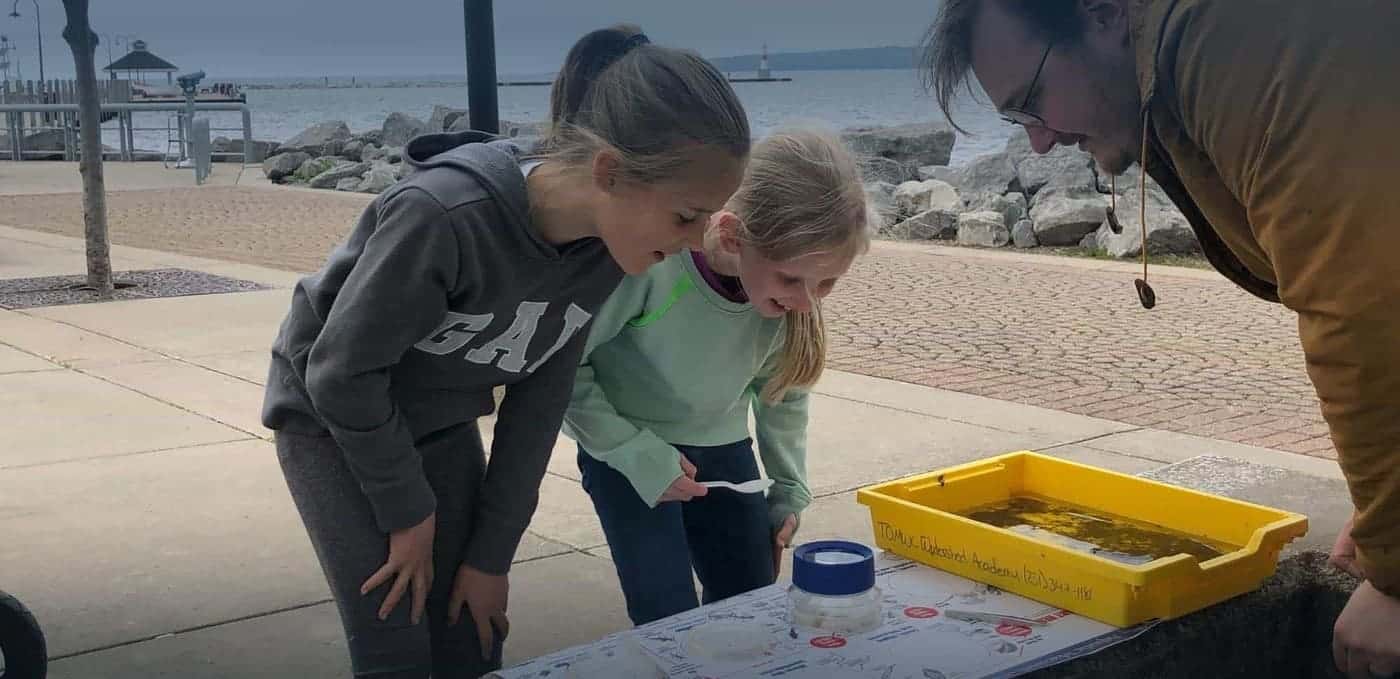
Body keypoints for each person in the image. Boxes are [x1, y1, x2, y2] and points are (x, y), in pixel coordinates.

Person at [922, 0, 1400, 675]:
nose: (1037, 140)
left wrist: (1395, 569)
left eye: (1034, 99)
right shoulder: (1178, 55)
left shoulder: (1223, 33)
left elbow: (1360, 289)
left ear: (1103, 13)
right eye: (1017, 117)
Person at [260, 24, 750, 678]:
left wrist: (491, 556)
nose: (694, 245)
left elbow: (539, 405)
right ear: (608, 172)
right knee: (396, 636)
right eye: (686, 216)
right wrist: (410, 514)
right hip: (330, 416)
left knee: (471, 625)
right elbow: (340, 371)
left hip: (437, 418)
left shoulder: (607, 252)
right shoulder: (442, 216)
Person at [561, 127, 873, 625]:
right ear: (731, 234)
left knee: (750, 602)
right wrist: (634, 453)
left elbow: (783, 393)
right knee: (666, 614)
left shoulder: (790, 295)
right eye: (792, 279)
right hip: (627, 456)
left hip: (726, 452)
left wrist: (789, 490)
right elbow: (563, 370)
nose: (806, 300)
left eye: (827, 283)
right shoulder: (655, 268)